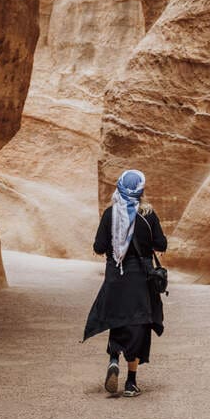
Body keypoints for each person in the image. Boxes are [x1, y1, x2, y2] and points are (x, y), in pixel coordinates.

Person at [83, 168, 168, 398]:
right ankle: (131, 383)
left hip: (115, 277)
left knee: (117, 319)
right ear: (141, 190)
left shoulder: (111, 214)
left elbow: (99, 247)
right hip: (141, 279)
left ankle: (113, 359)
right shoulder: (148, 215)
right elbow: (161, 244)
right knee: (139, 325)